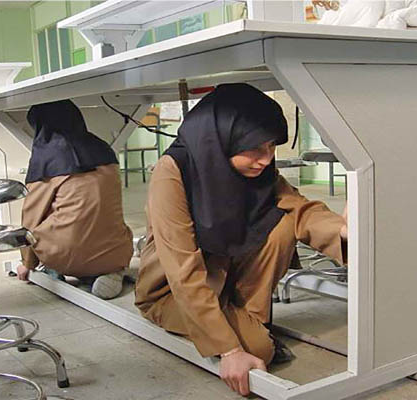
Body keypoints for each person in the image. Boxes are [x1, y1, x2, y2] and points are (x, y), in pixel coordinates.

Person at [134, 84, 347, 396]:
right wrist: (229, 350)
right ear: (223, 139)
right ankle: (251, 331)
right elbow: (183, 272)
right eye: (255, 148)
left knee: (284, 222)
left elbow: (301, 209)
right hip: (172, 293)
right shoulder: (173, 171)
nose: (266, 159)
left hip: (227, 282)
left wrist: (343, 230)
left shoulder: (260, 171)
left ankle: (251, 321)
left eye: (271, 147)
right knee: (258, 350)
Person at [17, 99, 133, 300]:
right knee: (105, 217)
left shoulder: (46, 159)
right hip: (117, 251)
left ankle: (54, 269)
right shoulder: (105, 149)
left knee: (45, 223)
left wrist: (27, 264)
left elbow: (31, 217)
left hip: (66, 254)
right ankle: (111, 272)